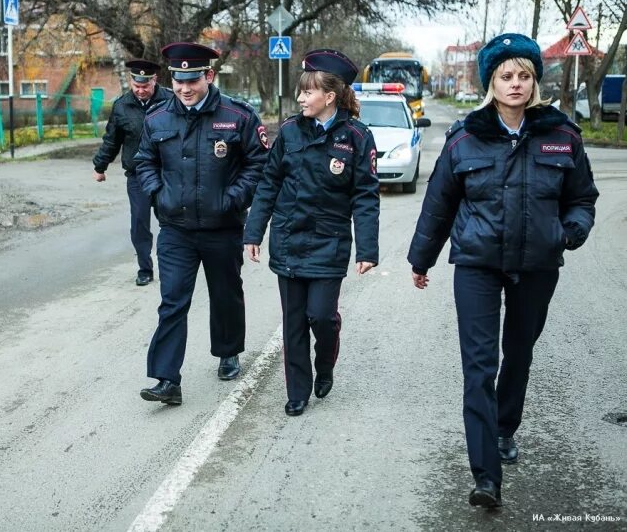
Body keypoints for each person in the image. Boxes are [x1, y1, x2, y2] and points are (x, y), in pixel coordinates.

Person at [407, 33, 598, 508]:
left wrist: (567, 233)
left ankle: (506, 427)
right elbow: (439, 204)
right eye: (506, 76)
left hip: (537, 265)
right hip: (477, 265)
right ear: (491, 82)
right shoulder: (465, 138)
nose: (515, 84)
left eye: (524, 76)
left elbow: (582, 199)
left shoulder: (563, 136)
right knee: (479, 366)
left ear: (535, 81)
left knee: (519, 353)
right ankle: (485, 475)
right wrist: (421, 259)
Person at [243, 49, 380, 417]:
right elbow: (269, 183)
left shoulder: (356, 137)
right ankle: (298, 392)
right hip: (288, 241)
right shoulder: (288, 131)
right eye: (301, 92)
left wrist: (367, 249)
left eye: (308, 92)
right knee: (293, 323)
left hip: (329, 244)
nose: (301, 98)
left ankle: (326, 362)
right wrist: (253, 232)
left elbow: (365, 196)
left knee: (321, 316)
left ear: (330, 96)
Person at [134, 41, 270, 404]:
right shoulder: (157, 119)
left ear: (208, 76)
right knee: (172, 301)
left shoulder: (237, 116)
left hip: (222, 227)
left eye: (192, 80)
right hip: (176, 229)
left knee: (225, 295)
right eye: (178, 81)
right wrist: (157, 194)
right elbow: (143, 161)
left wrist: (234, 199)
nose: (184, 88)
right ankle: (167, 379)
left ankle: (228, 351)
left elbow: (259, 163)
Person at [92, 59, 171, 286]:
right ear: (131, 82)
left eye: (145, 85)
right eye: (137, 85)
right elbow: (112, 140)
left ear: (154, 80)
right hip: (137, 175)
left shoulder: (170, 101)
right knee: (139, 223)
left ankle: (171, 266)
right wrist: (100, 166)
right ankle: (145, 268)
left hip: (167, 173)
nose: (140, 90)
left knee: (170, 220)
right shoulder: (122, 106)